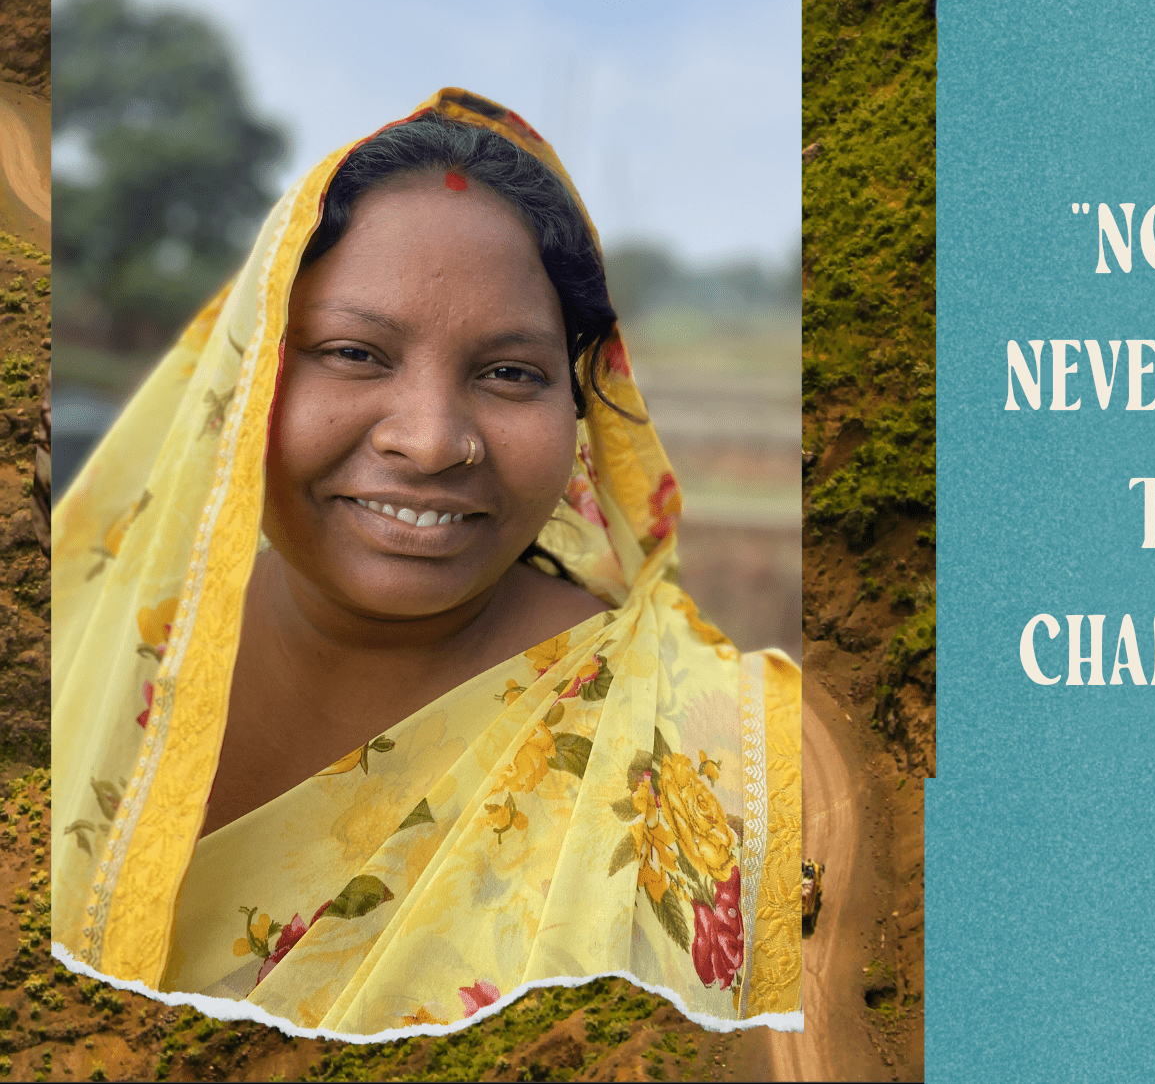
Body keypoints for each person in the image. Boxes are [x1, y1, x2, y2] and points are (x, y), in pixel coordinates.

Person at [50, 89, 802, 1036]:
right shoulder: (69, 653)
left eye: (509, 373)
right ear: (246, 377)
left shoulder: (718, 759)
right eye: (355, 352)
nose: (433, 441)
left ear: (579, 406)